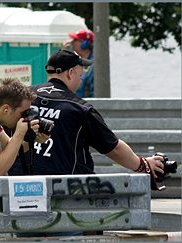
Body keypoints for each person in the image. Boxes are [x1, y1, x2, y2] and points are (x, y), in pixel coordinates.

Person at [9, 49, 165, 238]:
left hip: (22, 194)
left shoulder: (22, 99)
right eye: (80, 75)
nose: (81, 80)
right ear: (69, 73)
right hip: (65, 197)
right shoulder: (79, 108)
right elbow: (113, 148)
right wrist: (142, 164)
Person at [63, 29, 95, 97]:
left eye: (74, 40)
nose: (71, 43)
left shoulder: (95, 65)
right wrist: (63, 56)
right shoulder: (72, 61)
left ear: (85, 44)